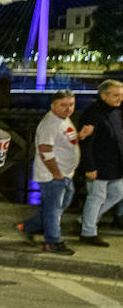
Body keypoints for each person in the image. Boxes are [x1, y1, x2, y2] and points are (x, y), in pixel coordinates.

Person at [19, 90, 83, 255]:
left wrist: (81, 135)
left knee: (57, 205)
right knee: (54, 209)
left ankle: (30, 226)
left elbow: (67, 139)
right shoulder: (50, 124)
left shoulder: (63, 119)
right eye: (63, 105)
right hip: (53, 176)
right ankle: (53, 241)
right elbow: (45, 150)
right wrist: (56, 173)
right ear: (53, 105)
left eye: (71, 104)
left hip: (65, 174)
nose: (68, 109)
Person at [77, 80, 122, 246]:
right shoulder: (92, 114)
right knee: (96, 197)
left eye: (122, 95)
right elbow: (86, 143)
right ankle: (88, 232)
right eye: (116, 95)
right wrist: (89, 166)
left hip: (114, 164)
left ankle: (85, 220)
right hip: (98, 163)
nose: (120, 99)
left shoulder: (115, 111)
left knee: (118, 192)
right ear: (103, 96)